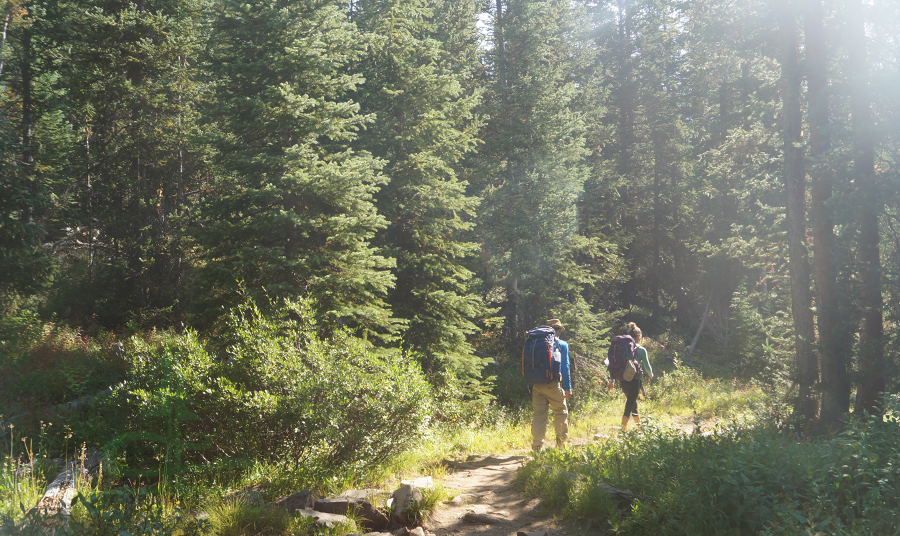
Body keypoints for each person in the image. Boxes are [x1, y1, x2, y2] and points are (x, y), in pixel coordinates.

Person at [531, 318, 572, 451]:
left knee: (539, 415)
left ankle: (537, 447)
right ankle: (561, 446)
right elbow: (565, 367)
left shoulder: (536, 342)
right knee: (560, 412)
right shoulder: (562, 345)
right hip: (553, 384)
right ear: (558, 330)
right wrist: (568, 387)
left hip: (536, 384)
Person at [607, 322, 653, 430]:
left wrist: (612, 379)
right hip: (635, 381)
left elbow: (616, 363)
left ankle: (639, 427)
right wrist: (651, 374)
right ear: (638, 336)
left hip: (623, 380)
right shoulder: (641, 350)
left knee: (633, 404)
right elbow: (647, 366)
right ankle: (623, 429)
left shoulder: (624, 348)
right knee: (629, 405)